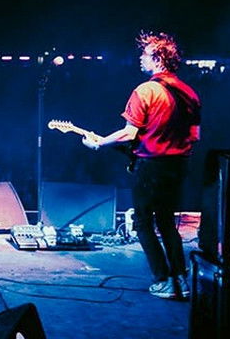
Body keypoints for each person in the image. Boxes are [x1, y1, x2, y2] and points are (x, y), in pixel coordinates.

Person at [81, 31, 200, 300]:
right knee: (167, 223)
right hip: (178, 165)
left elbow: (129, 133)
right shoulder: (190, 93)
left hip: (150, 167)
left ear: (158, 58)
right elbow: (195, 136)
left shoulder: (145, 90)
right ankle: (181, 279)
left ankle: (163, 280)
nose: (140, 59)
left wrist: (99, 144)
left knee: (143, 224)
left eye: (145, 54)